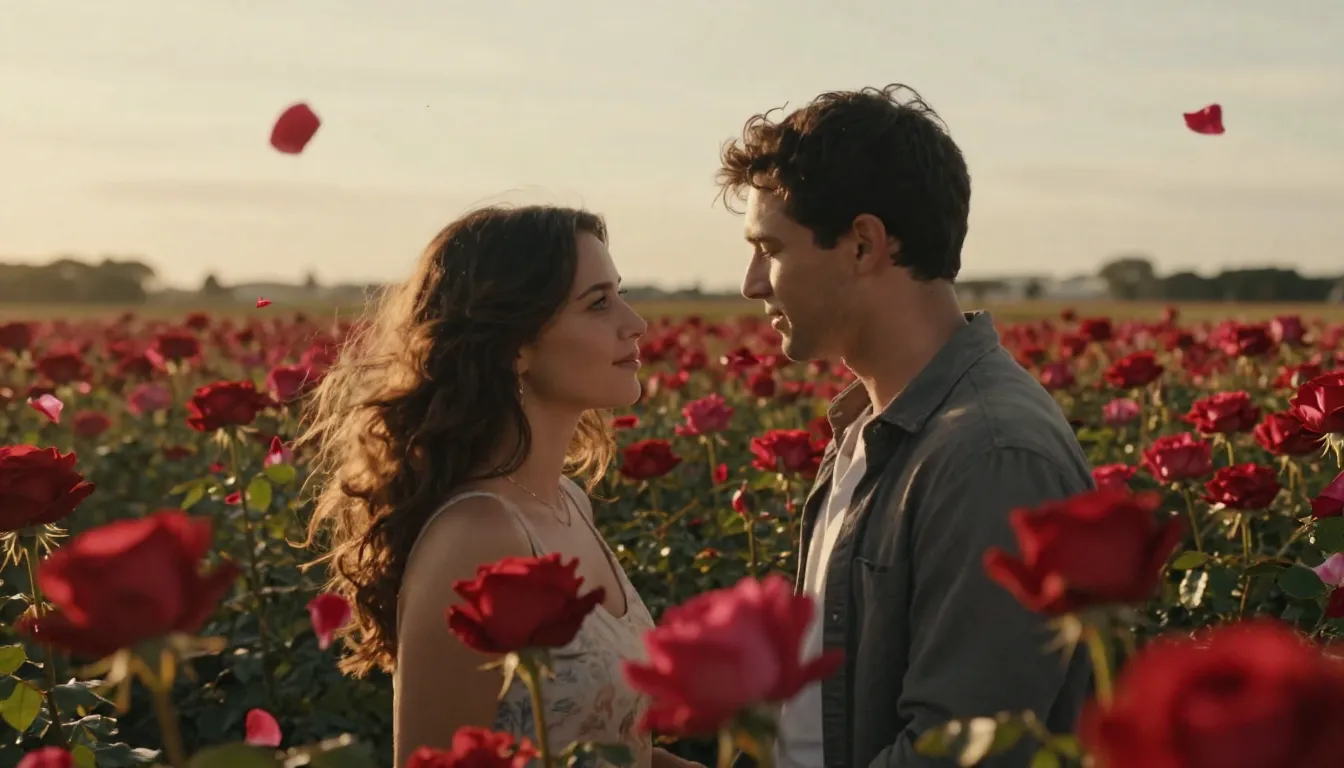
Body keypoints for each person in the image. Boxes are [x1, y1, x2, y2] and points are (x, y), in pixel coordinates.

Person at [716, 85, 1094, 768]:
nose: (751, 283)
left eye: (768, 248)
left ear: (863, 244)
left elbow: (960, 754)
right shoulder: (872, 428)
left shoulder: (988, 455)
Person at [300, 205, 699, 768]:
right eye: (598, 303)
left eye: (621, 294)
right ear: (514, 345)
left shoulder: (567, 502)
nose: (635, 323)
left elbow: (592, 739)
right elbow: (437, 762)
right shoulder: (478, 536)